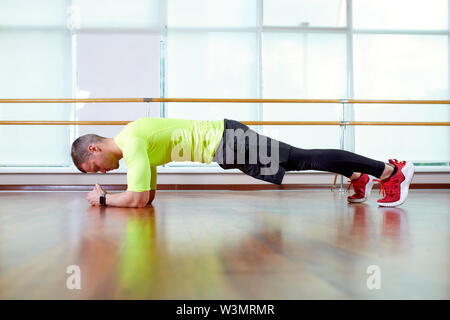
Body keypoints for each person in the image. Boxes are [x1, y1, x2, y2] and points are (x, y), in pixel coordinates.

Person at [71, 117, 414, 208]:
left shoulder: (132, 144)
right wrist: (120, 198)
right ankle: (358, 175)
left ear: (94, 150)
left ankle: (389, 172)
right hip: (228, 147)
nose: (99, 174)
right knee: (298, 162)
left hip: (229, 142)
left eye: (94, 169)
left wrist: (102, 199)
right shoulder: (135, 142)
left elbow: (138, 199)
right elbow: (146, 198)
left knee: (302, 157)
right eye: (95, 177)